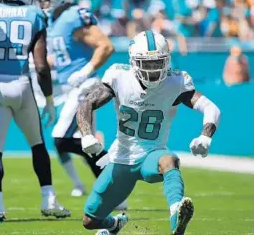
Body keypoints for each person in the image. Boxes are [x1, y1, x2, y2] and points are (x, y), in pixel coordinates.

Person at [76, 30, 221, 235]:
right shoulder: (119, 77)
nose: (153, 69)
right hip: (121, 159)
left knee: (169, 160)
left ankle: (176, 216)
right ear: (134, 62)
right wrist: (87, 135)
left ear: (167, 60)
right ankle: (114, 225)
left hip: (152, 154)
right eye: (147, 63)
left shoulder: (175, 82)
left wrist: (206, 136)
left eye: (158, 62)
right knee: (90, 221)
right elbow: (87, 103)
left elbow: (211, 108)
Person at [0, 0, 70, 220]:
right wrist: (48, 99)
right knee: (37, 145)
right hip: (22, 83)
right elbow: (40, 66)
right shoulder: (34, 14)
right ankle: (48, 198)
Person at [37, 0, 115, 197]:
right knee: (84, 142)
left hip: (86, 86)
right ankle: (111, 192)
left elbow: (105, 46)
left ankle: (111, 169)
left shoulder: (74, 16)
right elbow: (62, 58)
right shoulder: (54, 19)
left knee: (61, 139)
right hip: (73, 88)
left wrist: (84, 71)